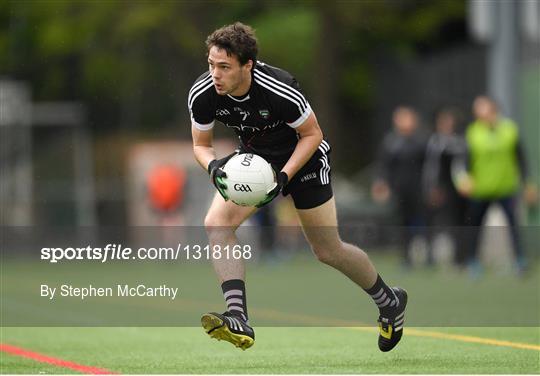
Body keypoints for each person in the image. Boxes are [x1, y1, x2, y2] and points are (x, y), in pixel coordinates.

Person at [189, 22, 407, 352]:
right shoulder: (203, 93)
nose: (215, 74)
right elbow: (200, 145)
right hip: (255, 164)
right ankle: (238, 317)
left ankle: (388, 301)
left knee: (328, 250)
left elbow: (313, 134)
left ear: (247, 65)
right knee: (216, 224)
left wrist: (285, 176)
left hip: (302, 161)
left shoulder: (279, 88)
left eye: (224, 67)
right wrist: (214, 167)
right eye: (211, 64)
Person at [456, 95, 538, 275]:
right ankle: (473, 262)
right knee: (475, 226)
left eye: (482, 108)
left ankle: (520, 261)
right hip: (480, 190)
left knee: (513, 226)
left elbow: (521, 159)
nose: (478, 112)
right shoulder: (472, 132)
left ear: (493, 109)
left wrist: (528, 184)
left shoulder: (509, 130)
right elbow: (463, 161)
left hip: (506, 188)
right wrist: (464, 179)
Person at [371, 106, 427, 266]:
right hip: (400, 191)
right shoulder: (391, 141)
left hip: (420, 189)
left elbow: (430, 167)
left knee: (422, 221)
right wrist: (381, 183)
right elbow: (383, 165)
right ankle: (406, 256)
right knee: (403, 223)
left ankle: (427, 255)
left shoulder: (422, 141)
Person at [422, 108, 468, 266]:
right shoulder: (434, 142)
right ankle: (430, 257)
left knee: (457, 223)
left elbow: (462, 167)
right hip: (440, 189)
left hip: (457, 191)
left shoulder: (459, 142)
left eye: (449, 122)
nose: (447, 124)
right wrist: (432, 187)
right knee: (434, 222)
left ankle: (459, 258)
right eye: (443, 122)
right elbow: (431, 168)